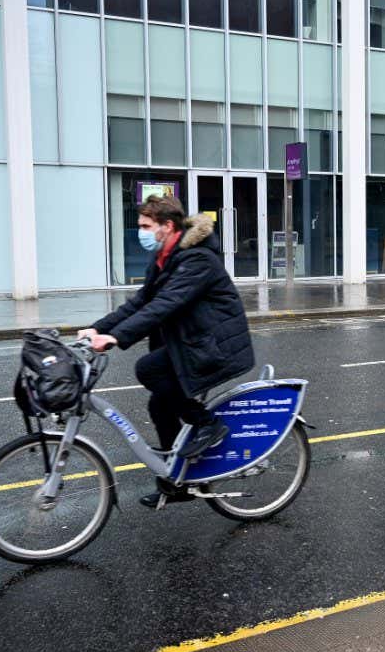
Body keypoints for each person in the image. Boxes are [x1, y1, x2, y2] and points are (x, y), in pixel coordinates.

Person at [79, 194, 255, 508]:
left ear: (168, 226)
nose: (141, 232)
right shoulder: (164, 257)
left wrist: (116, 338)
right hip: (190, 342)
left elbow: (165, 305)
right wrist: (99, 328)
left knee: (148, 369)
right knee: (159, 407)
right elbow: (141, 302)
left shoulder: (198, 259)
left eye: (146, 226)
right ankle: (180, 483)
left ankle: (207, 424)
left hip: (213, 345)